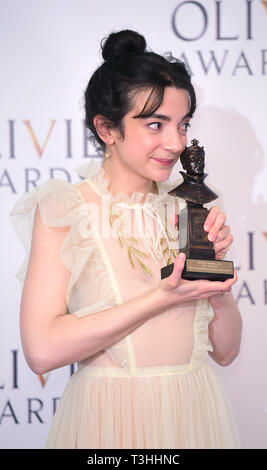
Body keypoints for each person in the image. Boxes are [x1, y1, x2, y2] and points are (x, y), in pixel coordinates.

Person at [10, 29, 242, 449]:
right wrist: (163, 297)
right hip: (108, 422)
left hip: (194, 416)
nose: (176, 143)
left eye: (183, 124)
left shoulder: (192, 207)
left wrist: (216, 282)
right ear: (106, 128)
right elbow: (41, 350)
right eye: (156, 125)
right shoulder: (67, 209)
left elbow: (226, 351)